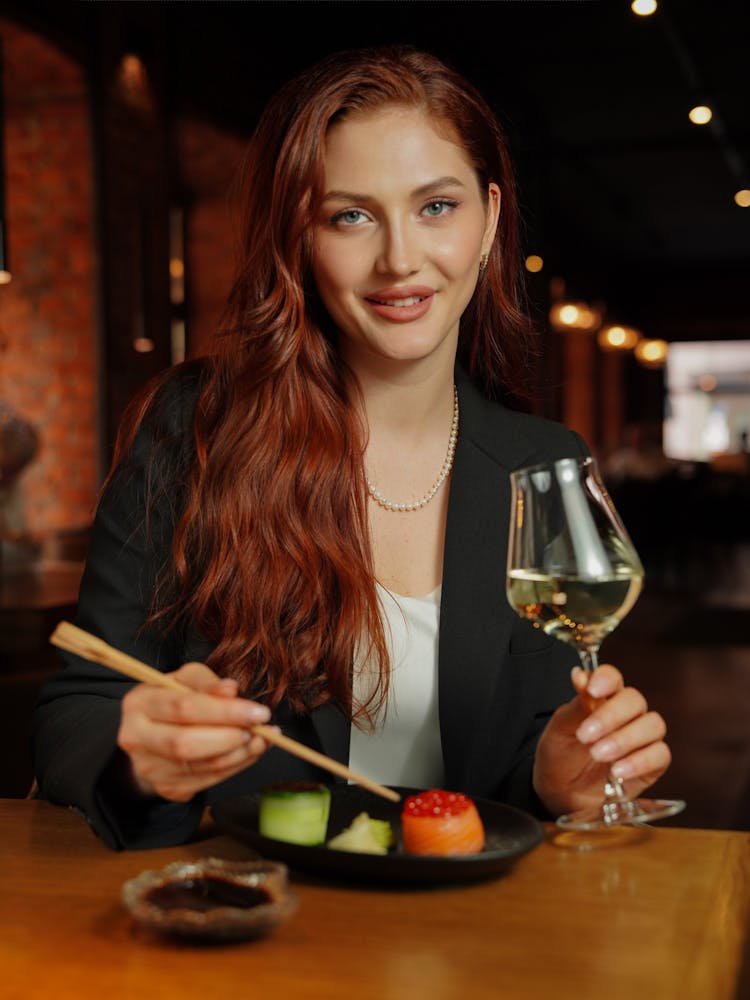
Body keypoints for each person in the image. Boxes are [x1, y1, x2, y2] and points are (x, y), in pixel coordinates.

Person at [31, 44, 673, 850]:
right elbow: (73, 717)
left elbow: (512, 757)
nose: (400, 258)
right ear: (300, 239)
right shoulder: (192, 428)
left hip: (474, 941)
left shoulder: (540, 463)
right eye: (351, 215)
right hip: (253, 930)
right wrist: (142, 759)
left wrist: (551, 776)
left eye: (437, 206)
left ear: (491, 219)